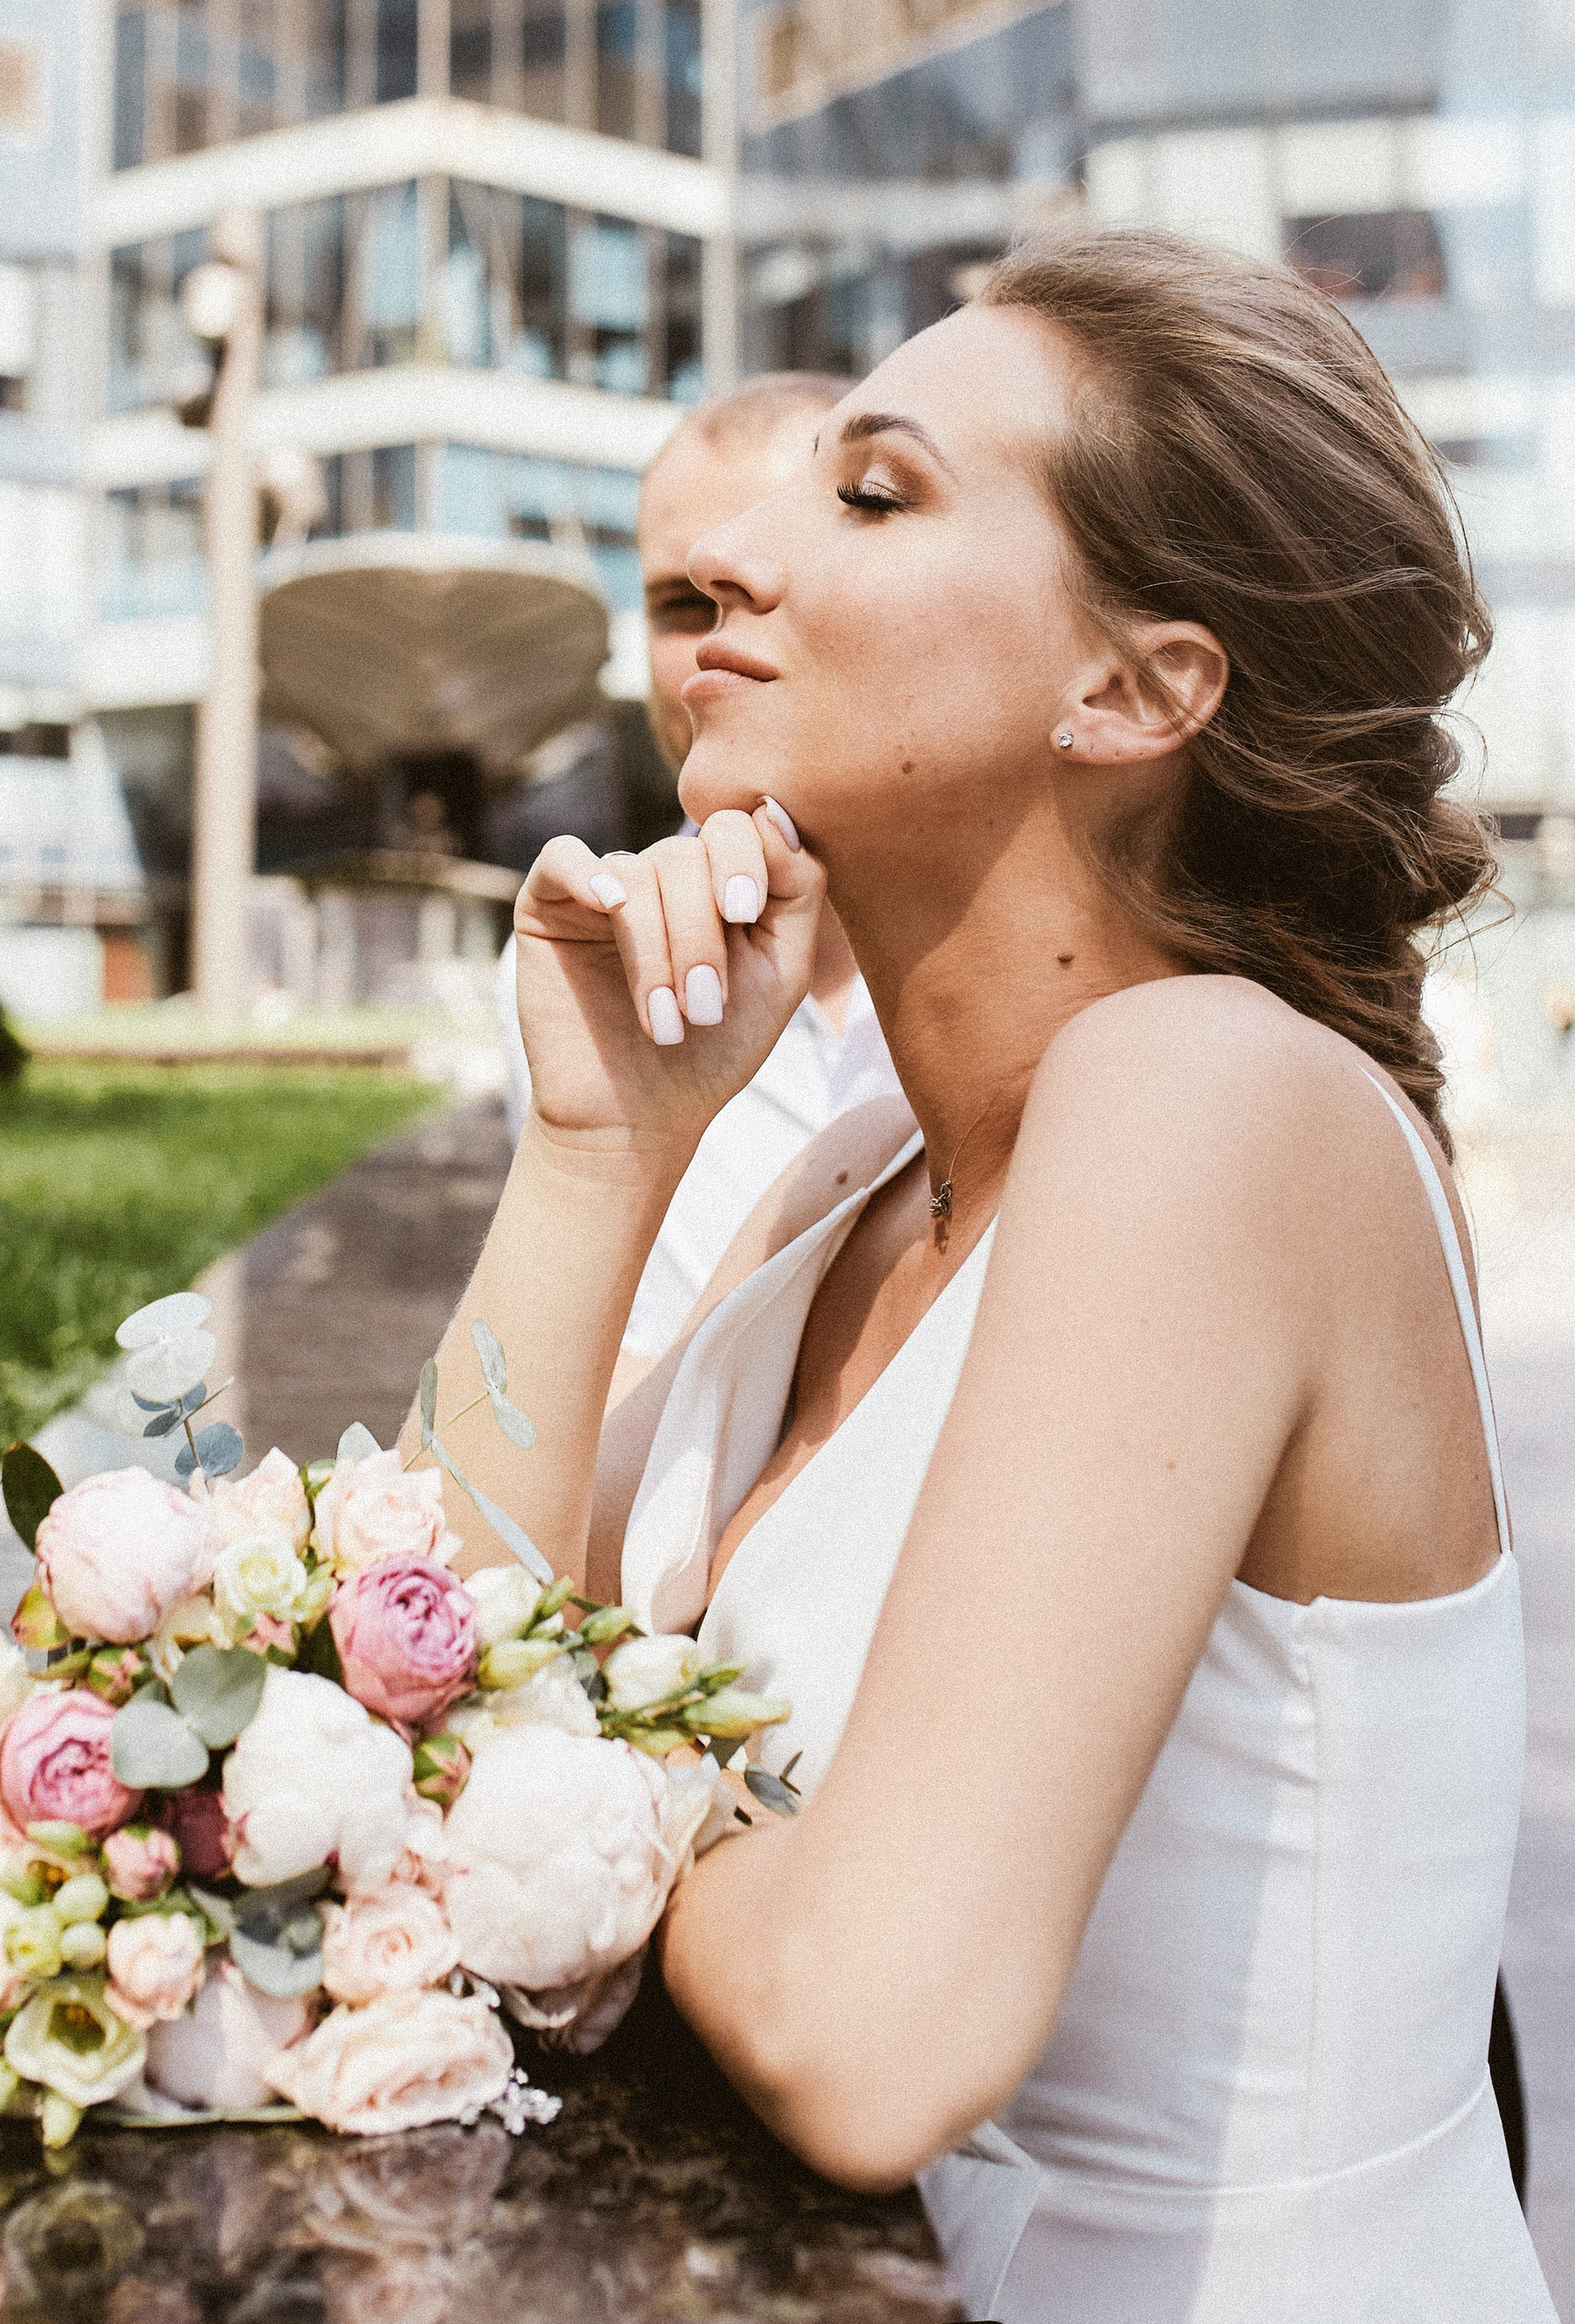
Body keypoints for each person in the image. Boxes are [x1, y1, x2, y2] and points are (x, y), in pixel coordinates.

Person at [422, 231, 1553, 2321]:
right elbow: (403, 1649)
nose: (729, 568)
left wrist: (561, 1778)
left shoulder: (1207, 1097)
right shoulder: (853, 1181)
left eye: (868, 491)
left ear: (1129, 686)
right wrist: (600, 1149)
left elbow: (875, 2026)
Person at [497, 375, 902, 1370]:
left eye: (773, 575)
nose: (718, 641)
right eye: (681, 603)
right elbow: (581, 1419)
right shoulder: (574, 967)